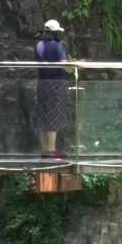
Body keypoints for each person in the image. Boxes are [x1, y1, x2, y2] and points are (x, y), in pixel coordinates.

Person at [34, 20, 70, 158]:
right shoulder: (57, 45)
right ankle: (51, 149)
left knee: (42, 114)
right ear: (56, 32)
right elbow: (64, 65)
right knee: (53, 115)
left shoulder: (39, 45)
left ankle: (44, 149)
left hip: (42, 83)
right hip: (56, 83)